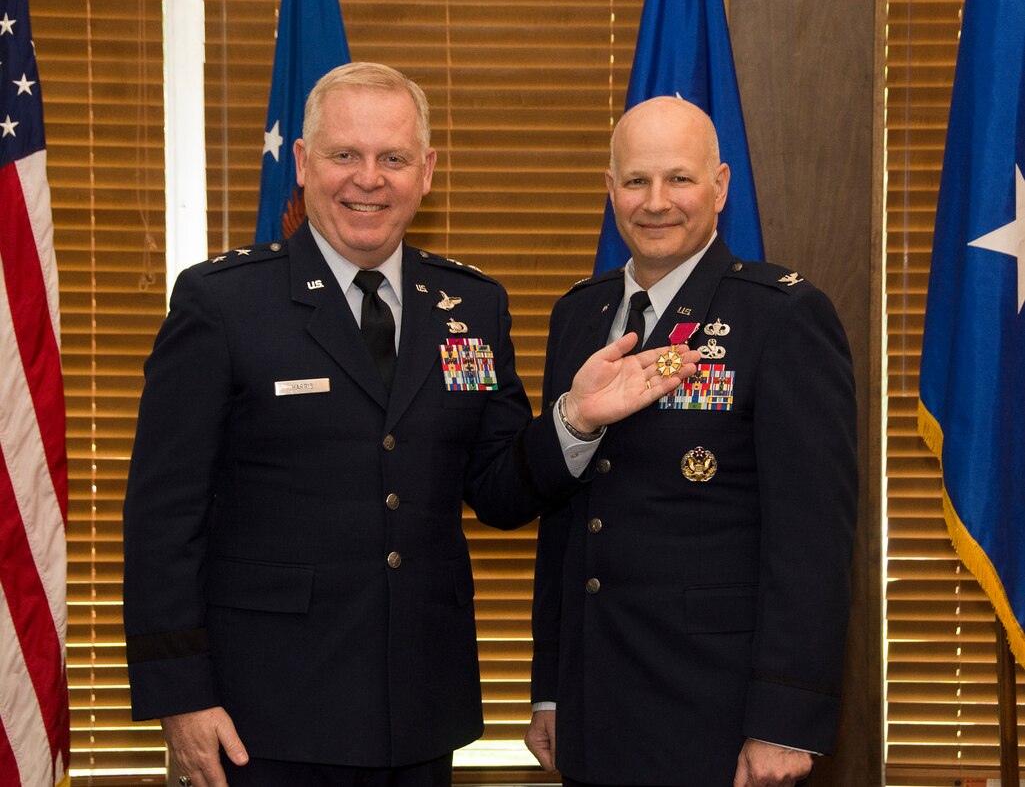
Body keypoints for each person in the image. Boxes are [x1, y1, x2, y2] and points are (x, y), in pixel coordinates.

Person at [121, 64, 697, 787]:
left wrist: (574, 420)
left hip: (419, 707)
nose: (369, 179)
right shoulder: (223, 303)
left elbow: (497, 488)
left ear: (425, 173)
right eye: (344, 156)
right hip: (262, 713)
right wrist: (182, 695)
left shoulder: (471, 306)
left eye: (391, 158)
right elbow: (161, 516)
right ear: (302, 165)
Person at [524, 96, 858, 787]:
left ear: (720, 186)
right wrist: (551, 689)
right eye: (636, 181)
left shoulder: (781, 317)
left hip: (716, 715)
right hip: (594, 706)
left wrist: (784, 720)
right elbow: (566, 526)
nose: (656, 203)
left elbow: (811, 541)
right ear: (610, 189)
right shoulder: (578, 315)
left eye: (678, 179)